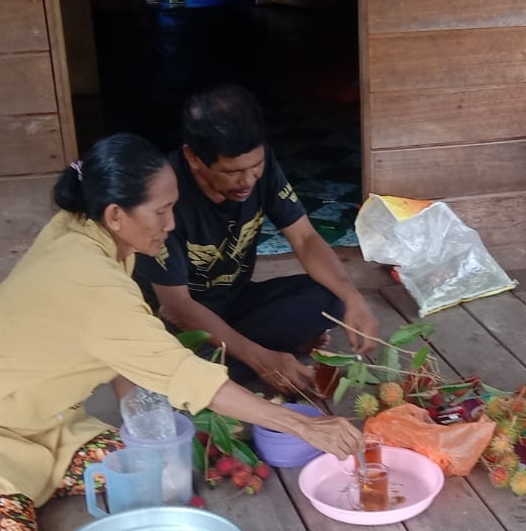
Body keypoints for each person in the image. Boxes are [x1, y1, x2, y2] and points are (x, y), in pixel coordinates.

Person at [0, 133, 362, 531]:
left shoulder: (90, 231)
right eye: (162, 212)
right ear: (116, 213)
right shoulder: (87, 277)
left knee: (146, 461)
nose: (171, 224)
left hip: (46, 422)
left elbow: (126, 354)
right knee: (5, 523)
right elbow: (182, 372)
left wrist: (145, 416)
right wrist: (300, 427)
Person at [135, 84, 378, 394]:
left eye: (256, 167)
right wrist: (261, 358)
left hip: (235, 303)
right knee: (176, 368)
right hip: (179, 327)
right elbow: (177, 307)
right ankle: (231, 365)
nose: (248, 180)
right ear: (193, 158)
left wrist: (352, 297)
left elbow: (304, 237)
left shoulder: (257, 167)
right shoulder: (162, 194)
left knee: (330, 297)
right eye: (233, 172)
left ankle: (235, 362)